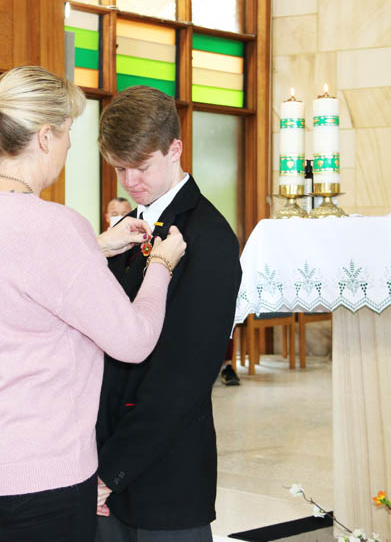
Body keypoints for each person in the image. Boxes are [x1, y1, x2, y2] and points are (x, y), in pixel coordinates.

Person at [0, 65, 186, 542]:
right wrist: (161, 265)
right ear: (45, 136)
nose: (70, 146)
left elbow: (13, 279)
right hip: (38, 474)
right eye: (69, 131)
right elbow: (133, 341)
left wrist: (95, 247)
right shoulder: (53, 225)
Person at [94, 86, 242, 541]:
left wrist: (112, 471)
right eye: (119, 168)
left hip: (165, 474)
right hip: (105, 460)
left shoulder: (209, 236)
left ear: (175, 149)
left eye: (141, 167)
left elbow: (185, 375)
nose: (130, 181)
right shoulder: (124, 231)